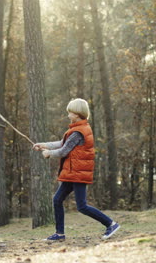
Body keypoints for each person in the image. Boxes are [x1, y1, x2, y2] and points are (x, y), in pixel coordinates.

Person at [33, 98, 120, 241]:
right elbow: (62, 143)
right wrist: (44, 145)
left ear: (77, 113)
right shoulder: (77, 129)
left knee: (82, 206)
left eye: (70, 112)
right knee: (57, 199)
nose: (68, 115)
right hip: (72, 172)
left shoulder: (78, 132)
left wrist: (49, 154)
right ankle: (59, 234)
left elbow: (63, 151)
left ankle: (111, 224)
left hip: (78, 173)